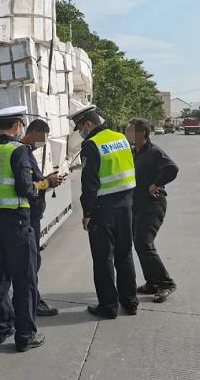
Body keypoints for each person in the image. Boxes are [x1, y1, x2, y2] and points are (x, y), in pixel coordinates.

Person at [0, 106, 45, 352]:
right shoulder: (20, 151)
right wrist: (40, 186)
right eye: (22, 125)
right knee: (25, 279)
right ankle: (25, 336)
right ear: (17, 125)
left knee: (0, 278)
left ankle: (1, 329)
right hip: (18, 222)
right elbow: (26, 188)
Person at [69, 105, 139, 319]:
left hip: (103, 209)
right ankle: (130, 302)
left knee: (103, 259)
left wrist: (87, 213)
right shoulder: (120, 138)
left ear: (88, 124)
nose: (81, 132)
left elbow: (89, 183)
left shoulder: (91, 145)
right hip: (126, 205)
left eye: (80, 128)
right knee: (125, 254)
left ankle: (108, 306)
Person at [125, 118, 179, 303]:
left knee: (144, 243)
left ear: (143, 134)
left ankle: (166, 283)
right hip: (137, 204)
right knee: (139, 244)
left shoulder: (154, 151)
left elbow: (172, 168)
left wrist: (156, 184)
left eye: (131, 131)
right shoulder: (134, 152)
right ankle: (152, 283)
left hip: (153, 204)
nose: (128, 134)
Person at [21, 119, 63, 317]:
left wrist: (47, 180)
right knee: (30, 262)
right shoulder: (22, 153)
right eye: (43, 139)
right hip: (27, 217)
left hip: (27, 216)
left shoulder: (26, 153)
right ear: (34, 132)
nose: (43, 143)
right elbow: (28, 188)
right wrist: (48, 182)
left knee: (29, 262)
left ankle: (31, 299)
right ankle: (33, 302)